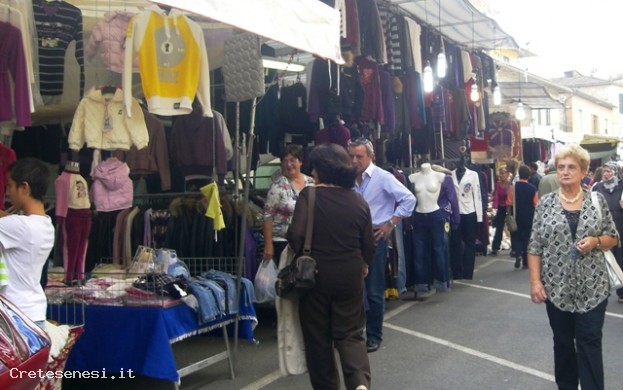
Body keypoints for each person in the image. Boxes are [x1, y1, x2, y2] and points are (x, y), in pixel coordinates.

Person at [528, 144, 618, 390]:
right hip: (557, 289)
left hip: (593, 287)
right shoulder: (545, 204)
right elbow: (534, 246)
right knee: (564, 345)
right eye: (561, 167)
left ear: (583, 171)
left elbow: (613, 237)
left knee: (589, 341)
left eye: (571, 167)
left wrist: (596, 241)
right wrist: (536, 282)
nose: (565, 172)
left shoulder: (597, 200)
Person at [287, 144, 375, 390]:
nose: (312, 172)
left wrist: (306, 251)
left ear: (321, 170)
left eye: (314, 167)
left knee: (318, 340)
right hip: (350, 274)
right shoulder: (358, 201)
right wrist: (364, 264)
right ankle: (359, 384)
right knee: (351, 334)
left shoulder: (309, 195)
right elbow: (369, 243)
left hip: (315, 277)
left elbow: (295, 235)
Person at [348, 139, 416, 353]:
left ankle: (374, 335)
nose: (354, 160)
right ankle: (354, 333)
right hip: (350, 238)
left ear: (371, 156)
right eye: (352, 156)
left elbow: (409, 199)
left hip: (375, 236)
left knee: (374, 289)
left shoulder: (383, 178)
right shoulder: (348, 179)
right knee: (352, 288)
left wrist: (391, 224)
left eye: (359, 156)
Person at [0, 158, 55, 329]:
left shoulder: (20, 227)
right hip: (34, 313)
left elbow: (13, 225)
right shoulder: (45, 224)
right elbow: (11, 222)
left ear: (24, 187)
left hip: (15, 318)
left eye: (9, 186)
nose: (7, 193)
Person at [263, 144, 314, 265]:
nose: (289, 164)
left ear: (300, 162)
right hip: (283, 243)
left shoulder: (311, 183)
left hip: (306, 243)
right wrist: (268, 245)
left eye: (292, 160)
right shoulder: (277, 186)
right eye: (285, 161)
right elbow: (267, 217)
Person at [409, 163, 450, 292]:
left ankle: (441, 281)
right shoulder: (413, 177)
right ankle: (421, 282)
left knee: (438, 248)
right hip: (419, 215)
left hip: (435, 214)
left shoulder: (440, 176)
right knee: (418, 251)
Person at [591, 161, 623, 303]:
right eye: (605, 171)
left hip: (621, 225)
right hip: (603, 227)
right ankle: (603, 289)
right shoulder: (597, 187)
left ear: (615, 172)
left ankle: (621, 291)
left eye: (609, 171)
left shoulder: (622, 186)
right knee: (604, 258)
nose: (606, 174)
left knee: (621, 258)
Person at [507, 165, 538, 269]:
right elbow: (536, 204)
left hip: (517, 216)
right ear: (528, 176)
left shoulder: (513, 187)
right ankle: (525, 262)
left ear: (519, 174)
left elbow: (509, 202)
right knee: (527, 239)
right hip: (529, 216)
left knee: (517, 237)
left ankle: (518, 254)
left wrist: (508, 215)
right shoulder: (532, 188)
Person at [490, 167, 511, 256]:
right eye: (500, 173)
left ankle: (515, 248)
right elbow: (494, 195)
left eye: (503, 173)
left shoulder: (510, 184)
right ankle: (495, 247)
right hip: (501, 208)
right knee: (499, 228)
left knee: (512, 228)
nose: (501, 175)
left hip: (509, 208)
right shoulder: (497, 184)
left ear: (507, 174)